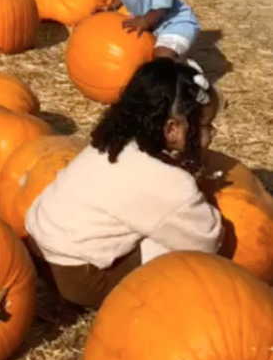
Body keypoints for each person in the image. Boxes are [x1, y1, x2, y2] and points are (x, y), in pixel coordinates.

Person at [25, 59, 223, 309]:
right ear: (173, 129)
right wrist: (207, 197)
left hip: (41, 251)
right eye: (206, 125)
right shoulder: (165, 181)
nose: (213, 132)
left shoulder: (113, 144)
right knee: (177, 257)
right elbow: (206, 240)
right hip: (81, 278)